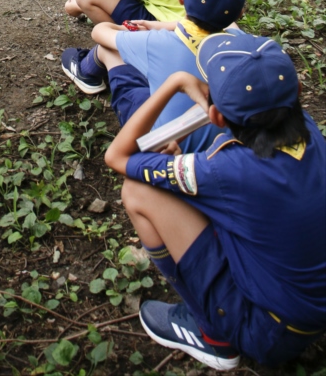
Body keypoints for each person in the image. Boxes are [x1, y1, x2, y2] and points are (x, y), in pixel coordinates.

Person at [105, 33, 326, 369]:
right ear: (296, 93)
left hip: (269, 333)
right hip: (308, 309)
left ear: (217, 116)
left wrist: (175, 83)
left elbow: (117, 157)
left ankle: (212, 334)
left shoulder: (224, 170)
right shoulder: (309, 130)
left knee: (137, 191)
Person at [62, 0, 248, 158]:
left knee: (109, 50)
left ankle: (87, 70)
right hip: (221, 148)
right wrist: (158, 26)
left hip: (165, 147)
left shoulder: (157, 43)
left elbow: (100, 32)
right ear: (240, 14)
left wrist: (135, 30)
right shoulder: (242, 43)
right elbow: (214, 28)